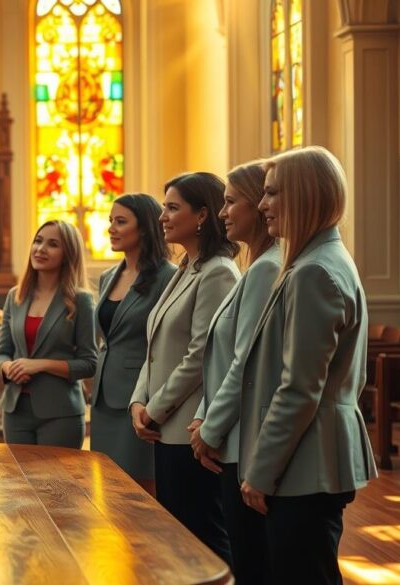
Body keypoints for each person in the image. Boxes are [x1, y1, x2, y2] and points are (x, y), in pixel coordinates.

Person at [239, 146, 377, 583]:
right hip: (309, 457)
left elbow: (300, 388)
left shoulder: (313, 271)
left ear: (303, 195)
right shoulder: (319, 260)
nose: (262, 205)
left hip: (305, 462)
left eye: (272, 193)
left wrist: (261, 471)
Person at [129, 172, 239, 563]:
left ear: (203, 215)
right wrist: (138, 401)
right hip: (165, 426)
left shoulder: (219, 272)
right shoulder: (186, 268)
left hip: (187, 428)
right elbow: (155, 345)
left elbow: (199, 356)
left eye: (173, 208)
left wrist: (154, 410)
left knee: (201, 540)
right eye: (163, 207)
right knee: (177, 538)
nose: (162, 217)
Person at [186, 162, 280, 584]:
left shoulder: (265, 268)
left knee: (250, 562)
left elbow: (245, 362)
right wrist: (204, 415)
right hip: (231, 431)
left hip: (244, 438)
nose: (223, 212)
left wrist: (210, 428)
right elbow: (220, 358)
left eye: (230, 201)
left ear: (258, 206)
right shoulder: (256, 266)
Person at [92, 194, 176, 490]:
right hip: (103, 399)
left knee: (139, 491)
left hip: (139, 398)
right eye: (110, 221)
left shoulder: (167, 277)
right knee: (107, 489)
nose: (111, 228)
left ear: (144, 227)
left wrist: (153, 402)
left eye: (121, 221)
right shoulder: (108, 276)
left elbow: (166, 343)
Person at [0, 220, 97, 448]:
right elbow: (1, 353)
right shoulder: (15, 296)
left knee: (55, 474)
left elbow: (89, 364)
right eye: (38, 241)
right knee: (18, 473)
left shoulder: (81, 300)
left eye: (52, 244)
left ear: (67, 254)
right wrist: (8, 368)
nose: (41, 249)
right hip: (15, 411)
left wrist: (39, 365)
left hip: (61, 413)